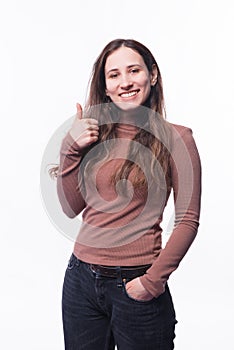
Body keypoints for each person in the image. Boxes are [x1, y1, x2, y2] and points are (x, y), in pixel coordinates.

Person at [52, 38, 201, 349]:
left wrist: (152, 282)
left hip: (137, 285)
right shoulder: (92, 134)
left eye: (133, 70)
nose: (125, 82)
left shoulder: (178, 139)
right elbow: (70, 207)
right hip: (81, 281)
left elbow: (187, 220)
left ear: (153, 75)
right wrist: (70, 148)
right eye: (114, 75)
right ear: (105, 87)